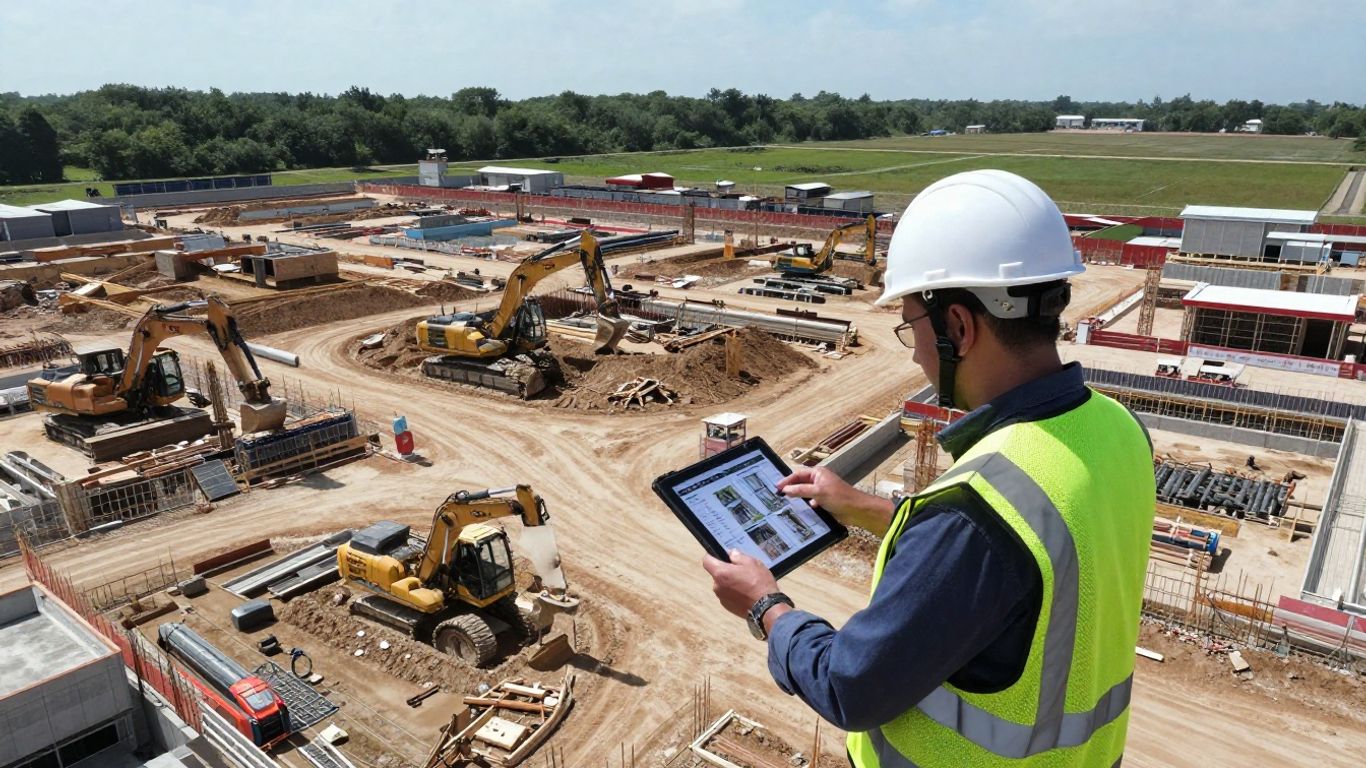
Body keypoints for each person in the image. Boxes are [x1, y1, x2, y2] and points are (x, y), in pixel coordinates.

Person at [703, 170, 1156, 767]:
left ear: (958, 328)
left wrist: (766, 606)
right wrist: (865, 507)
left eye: (911, 326)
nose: (915, 351)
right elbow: (1023, 552)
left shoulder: (977, 512)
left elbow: (849, 686)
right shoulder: (1117, 429)